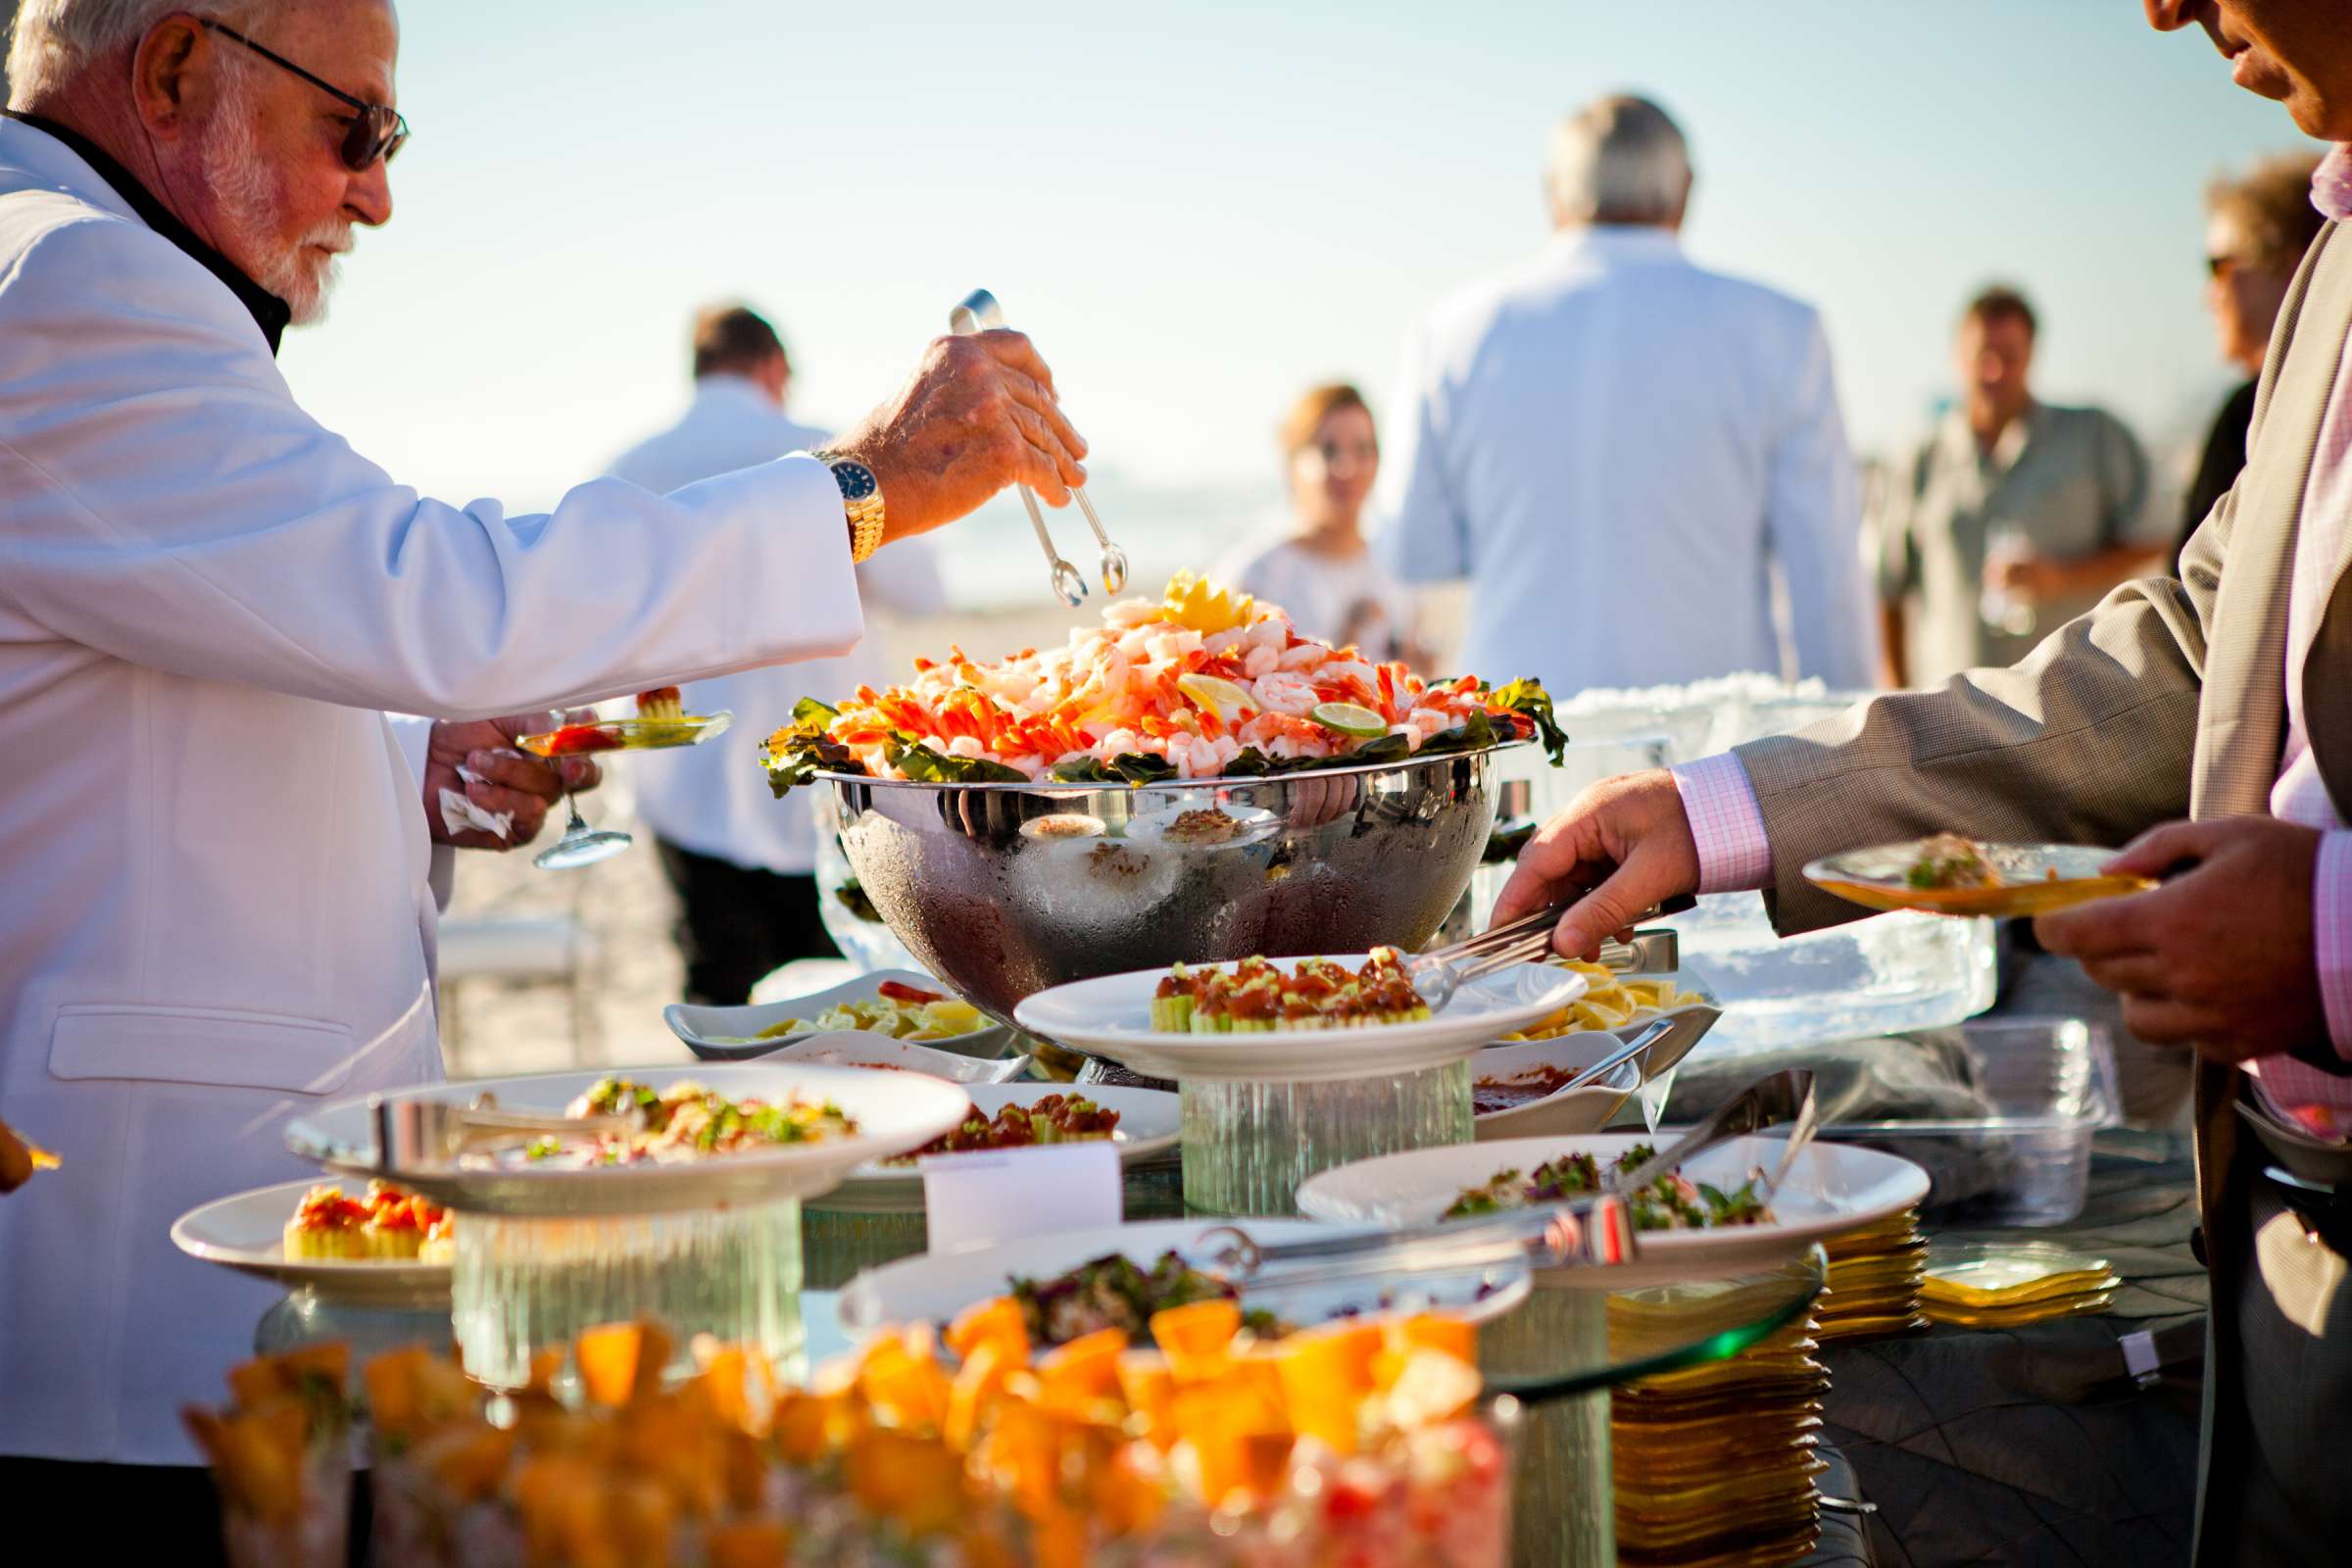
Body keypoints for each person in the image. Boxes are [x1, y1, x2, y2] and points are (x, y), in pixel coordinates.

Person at [0, 0, 1087, 1505]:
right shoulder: (60, 277)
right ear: (179, 71)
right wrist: (861, 484)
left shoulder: (92, 275)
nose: (379, 192)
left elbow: (172, 690)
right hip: (140, 1295)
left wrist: (412, 764)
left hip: (248, 1250)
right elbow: (437, 594)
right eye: (356, 128)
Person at [1496, 5, 2352, 1556]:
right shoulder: (2337, 256)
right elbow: (2173, 656)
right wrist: (1722, 814)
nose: (2162, 7)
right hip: (2290, 1236)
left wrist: (2334, 940)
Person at [1370, 93, 1877, 698]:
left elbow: (1412, 550)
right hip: (1712, 752)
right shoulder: (1782, 329)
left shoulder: (1452, 330)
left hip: (1518, 739)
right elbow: (1826, 581)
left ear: (1553, 194)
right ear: (1685, 191)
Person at [606, 303, 948, 1004]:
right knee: (832, 987)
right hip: (820, 773)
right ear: (773, 368)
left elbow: (599, 627)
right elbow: (922, 592)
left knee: (716, 984)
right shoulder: (829, 453)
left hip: (684, 775)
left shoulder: (627, 469)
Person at [1876, 286, 2165, 688]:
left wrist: (2061, 579)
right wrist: (1896, 697)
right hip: (1950, 720)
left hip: (2074, 705)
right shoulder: (1919, 461)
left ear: (2032, 355)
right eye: (1983, 357)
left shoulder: (2094, 437)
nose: (1994, 371)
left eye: (2009, 357)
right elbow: (1887, 589)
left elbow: (2155, 542)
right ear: (1958, 357)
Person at [2180, 151, 2327, 572]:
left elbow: (2197, 590)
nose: (2208, 295)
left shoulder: (2251, 412)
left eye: (2218, 267)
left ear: (2290, 265)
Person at [1216, 382, 1423, 662]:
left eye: (1363, 449)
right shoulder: (1253, 575)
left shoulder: (1399, 570)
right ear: (1291, 464)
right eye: (1329, 451)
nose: (1348, 468)